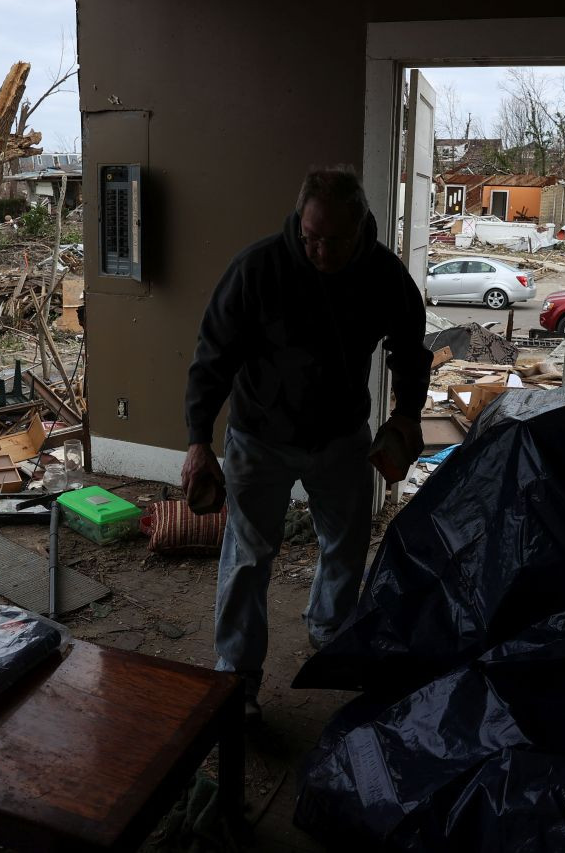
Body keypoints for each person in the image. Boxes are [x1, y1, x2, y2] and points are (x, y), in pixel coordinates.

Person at [183, 167, 432, 721]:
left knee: (346, 543)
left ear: (361, 226)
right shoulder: (258, 268)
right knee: (247, 556)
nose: (319, 250)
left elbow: (411, 350)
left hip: (341, 438)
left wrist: (407, 416)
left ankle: (329, 633)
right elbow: (213, 356)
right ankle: (238, 676)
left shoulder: (383, 276)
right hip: (259, 438)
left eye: (334, 240)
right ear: (300, 222)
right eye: (310, 236)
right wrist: (198, 440)